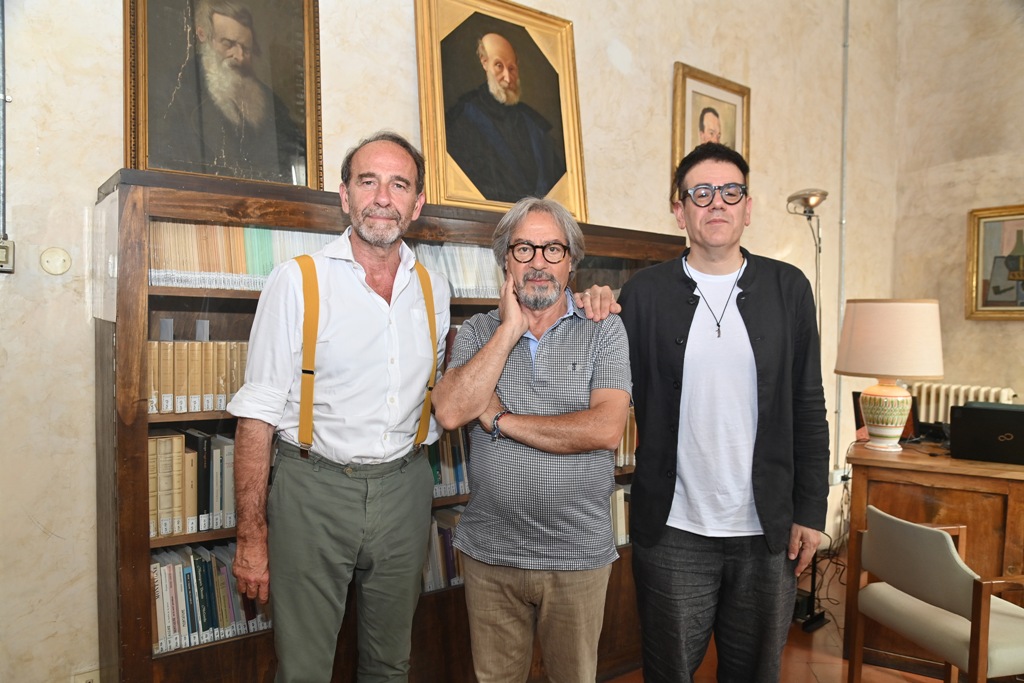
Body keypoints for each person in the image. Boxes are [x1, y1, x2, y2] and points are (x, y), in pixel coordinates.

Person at [228, 131, 619, 682]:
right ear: (344, 195)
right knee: (304, 667)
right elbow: (257, 415)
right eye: (368, 181)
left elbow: (450, 402)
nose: (382, 198)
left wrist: (586, 300)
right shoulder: (297, 281)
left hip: (405, 490)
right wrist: (250, 535)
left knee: (391, 662)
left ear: (417, 203)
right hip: (314, 488)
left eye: (399, 184)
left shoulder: (432, 290)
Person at [619, 142, 830, 683]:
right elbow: (609, 385)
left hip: (766, 531)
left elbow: (809, 405)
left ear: (748, 207)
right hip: (673, 529)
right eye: (702, 192)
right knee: (668, 672)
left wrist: (811, 510)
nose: (717, 202)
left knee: (755, 672)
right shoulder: (643, 293)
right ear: (680, 210)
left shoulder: (788, 289)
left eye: (731, 192)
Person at [432, 196, 632, 683]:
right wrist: (508, 330)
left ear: (571, 262)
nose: (538, 262)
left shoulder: (604, 329)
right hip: (490, 556)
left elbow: (605, 429)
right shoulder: (479, 331)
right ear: (506, 261)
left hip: (577, 557)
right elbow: (451, 410)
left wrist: (502, 419)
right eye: (524, 249)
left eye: (552, 249)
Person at [150, 0, 305, 183]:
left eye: (246, 48)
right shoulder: (173, 92)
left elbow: (296, 162)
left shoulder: (273, 105)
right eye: (228, 44)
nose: (239, 56)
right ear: (203, 35)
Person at [445, 33, 567, 204]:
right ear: (484, 63)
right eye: (499, 66)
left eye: (512, 68)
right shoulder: (463, 117)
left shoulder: (533, 123)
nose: (508, 78)